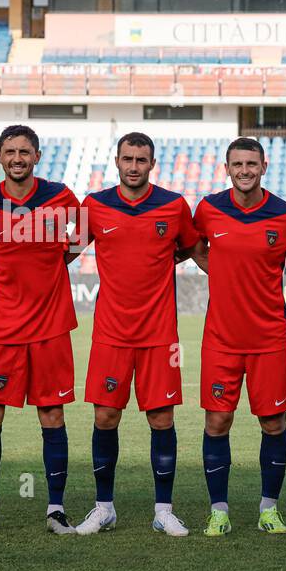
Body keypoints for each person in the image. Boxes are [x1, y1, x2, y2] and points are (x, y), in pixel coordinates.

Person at [72, 132, 199, 537]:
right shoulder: (94, 205)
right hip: (110, 333)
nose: (133, 166)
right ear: (116, 161)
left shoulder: (173, 206)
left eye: (141, 159)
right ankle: (103, 507)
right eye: (127, 158)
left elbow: (199, 251)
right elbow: (62, 254)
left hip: (160, 334)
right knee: (105, 416)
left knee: (161, 418)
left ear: (152, 164)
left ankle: (163, 510)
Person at [189, 137, 286, 537]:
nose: (244, 170)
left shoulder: (285, 214)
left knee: (273, 423)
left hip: (269, 338)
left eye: (251, 164)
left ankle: (269, 510)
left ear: (264, 166)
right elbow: (191, 247)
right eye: (237, 164)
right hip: (221, 338)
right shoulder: (208, 209)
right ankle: (219, 511)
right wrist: (223, 272)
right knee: (217, 421)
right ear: (227, 168)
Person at [0, 124, 81, 535]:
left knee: (51, 412)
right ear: (0, 156)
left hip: (50, 327)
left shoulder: (61, 196)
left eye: (25, 151)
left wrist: (54, 262)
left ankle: (55, 509)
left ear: (37, 156)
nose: (17, 158)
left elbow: (81, 235)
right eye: (10, 151)